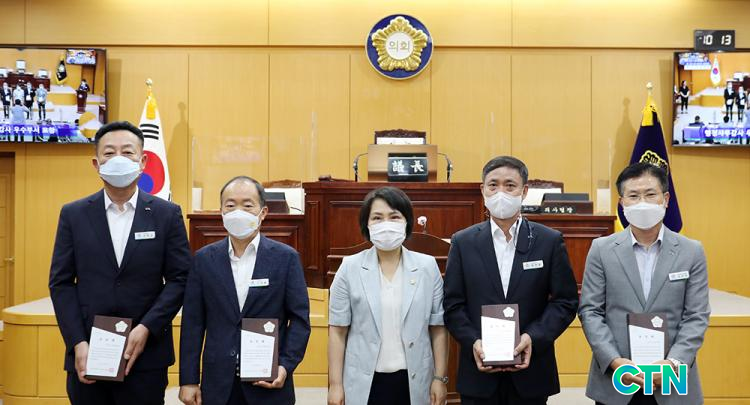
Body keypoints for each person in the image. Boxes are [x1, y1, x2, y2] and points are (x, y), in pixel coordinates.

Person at [48, 121, 191, 405]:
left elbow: (181, 278)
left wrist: (147, 327)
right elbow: (61, 283)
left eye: (127, 152)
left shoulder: (166, 214)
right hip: (89, 352)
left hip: (146, 353)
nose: (118, 159)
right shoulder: (74, 214)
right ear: (96, 163)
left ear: (143, 161)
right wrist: (77, 342)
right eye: (109, 153)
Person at [443, 156, 579, 405]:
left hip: (531, 372)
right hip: (478, 373)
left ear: (524, 191)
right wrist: (474, 341)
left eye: (510, 185)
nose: (501, 193)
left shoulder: (548, 241)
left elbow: (565, 302)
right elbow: (453, 305)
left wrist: (533, 337)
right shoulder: (463, 242)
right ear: (482, 190)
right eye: (493, 185)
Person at [579, 162, 710, 405]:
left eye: (650, 194)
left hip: (672, 381)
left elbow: (696, 315)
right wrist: (614, 361)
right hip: (617, 378)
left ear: (666, 199)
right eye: (633, 196)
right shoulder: (601, 249)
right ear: (622, 203)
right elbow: (590, 311)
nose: (642, 202)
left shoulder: (691, 251)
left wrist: (673, 363)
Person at [179, 176, 311, 405]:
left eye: (248, 205)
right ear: (221, 211)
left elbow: (299, 320)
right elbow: (193, 322)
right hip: (218, 384)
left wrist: (285, 365)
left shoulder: (286, 258)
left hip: (269, 383)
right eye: (230, 205)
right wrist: (189, 380)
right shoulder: (204, 259)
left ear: (263, 212)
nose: (238, 212)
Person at [327, 186, 449, 405]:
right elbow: (337, 331)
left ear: (406, 222)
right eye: (377, 217)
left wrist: (440, 378)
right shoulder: (349, 267)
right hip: (364, 381)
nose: (386, 224)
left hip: (414, 380)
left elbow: (438, 328)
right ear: (366, 224)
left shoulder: (427, 267)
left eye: (394, 217)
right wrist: (335, 384)